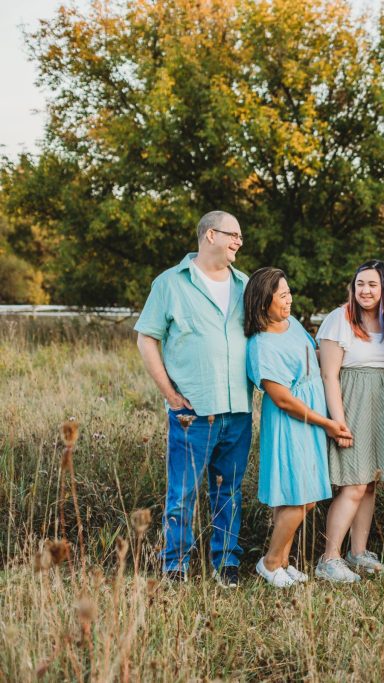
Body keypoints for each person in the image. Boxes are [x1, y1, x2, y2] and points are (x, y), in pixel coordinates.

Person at [135, 210, 253, 587]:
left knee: (229, 491)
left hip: (238, 409)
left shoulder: (245, 284)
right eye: (233, 235)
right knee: (182, 493)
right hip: (192, 411)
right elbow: (146, 337)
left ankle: (226, 564)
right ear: (210, 235)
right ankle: (175, 566)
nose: (239, 241)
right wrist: (169, 394)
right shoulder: (170, 283)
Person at [243, 267, 349, 588]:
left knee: (300, 495)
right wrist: (328, 423)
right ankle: (270, 562)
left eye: (289, 293)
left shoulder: (292, 324)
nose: (289, 300)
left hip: (311, 417)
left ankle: (284, 561)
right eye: (282, 296)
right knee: (299, 496)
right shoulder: (261, 345)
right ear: (263, 302)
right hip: (292, 422)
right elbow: (283, 399)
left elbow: (312, 357)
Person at [315, 261, 384, 583]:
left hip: (382, 406)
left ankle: (358, 551)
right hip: (352, 404)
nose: (365, 291)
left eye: (372, 285)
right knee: (353, 484)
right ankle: (330, 558)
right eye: (360, 284)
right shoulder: (339, 319)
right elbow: (329, 375)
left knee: (370, 484)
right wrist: (338, 422)